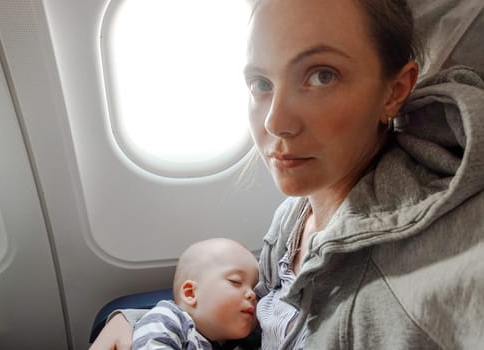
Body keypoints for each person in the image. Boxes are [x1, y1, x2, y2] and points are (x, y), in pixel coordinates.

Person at [91, 0, 484, 348]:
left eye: (321, 76)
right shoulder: (297, 212)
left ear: (395, 91)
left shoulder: (410, 294)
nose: (275, 121)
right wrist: (141, 322)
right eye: (260, 83)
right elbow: (269, 305)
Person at [91, 238, 259, 350]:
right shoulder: (168, 319)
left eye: (255, 288)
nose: (252, 294)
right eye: (236, 282)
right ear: (191, 293)